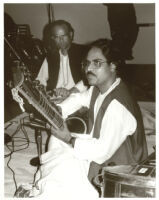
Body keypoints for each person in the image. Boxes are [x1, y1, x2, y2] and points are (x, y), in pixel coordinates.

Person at [15, 38, 148, 198]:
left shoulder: (118, 106)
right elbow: (79, 98)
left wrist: (69, 138)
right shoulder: (100, 87)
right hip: (101, 147)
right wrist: (56, 111)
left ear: (113, 65)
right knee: (57, 139)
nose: (88, 68)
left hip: (118, 165)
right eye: (86, 63)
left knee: (63, 166)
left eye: (97, 63)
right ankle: (49, 179)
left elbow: (101, 152)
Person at [36, 19, 88, 99]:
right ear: (53, 38)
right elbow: (41, 79)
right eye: (56, 37)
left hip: (77, 95)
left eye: (63, 36)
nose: (60, 40)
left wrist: (71, 91)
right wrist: (42, 91)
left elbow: (88, 77)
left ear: (71, 34)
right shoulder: (51, 56)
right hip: (56, 97)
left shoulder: (84, 52)